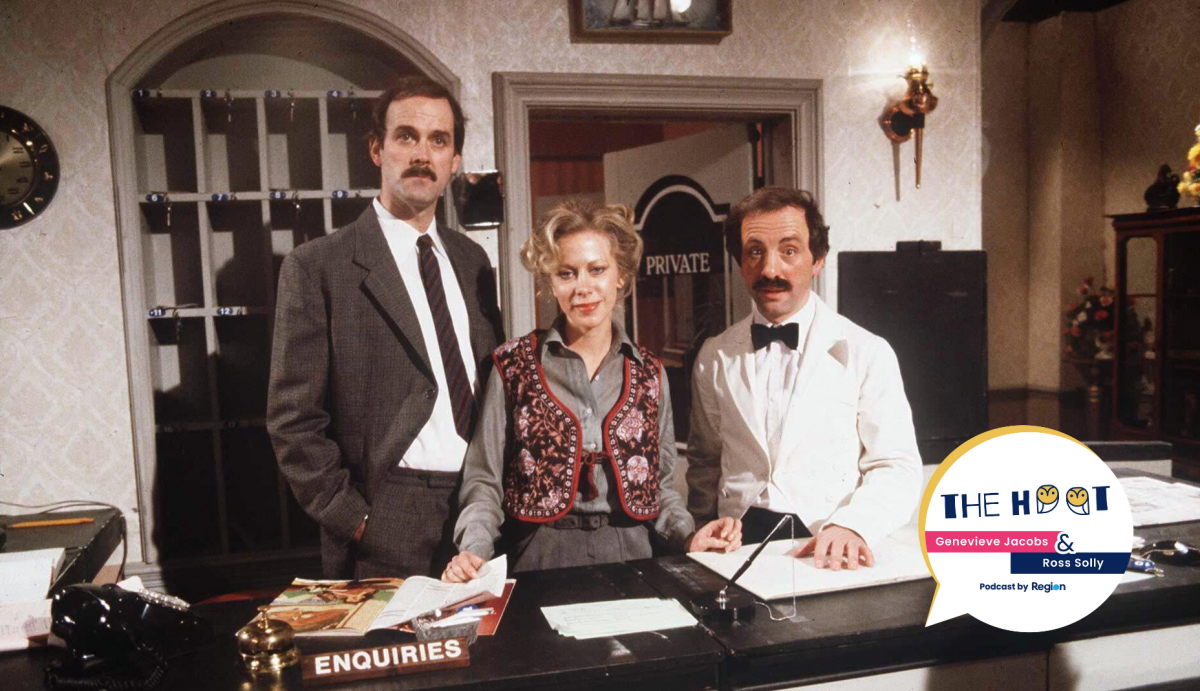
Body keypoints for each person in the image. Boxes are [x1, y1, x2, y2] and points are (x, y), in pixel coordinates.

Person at [267, 77, 504, 579]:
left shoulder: (472, 261)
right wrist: (358, 523)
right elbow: (293, 421)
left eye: (438, 140)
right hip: (385, 515)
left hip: (478, 510)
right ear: (377, 149)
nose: (422, 154)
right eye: (406, 136)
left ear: (454, 160)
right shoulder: (318, 266)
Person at [441, 200, 739, 582]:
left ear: (621, 275)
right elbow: (483, 481)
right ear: (551, 281)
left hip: (634, 555)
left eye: (597, 270)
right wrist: (473, 550)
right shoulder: (512, 367)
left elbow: (661, 489)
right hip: (540, 556)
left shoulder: (650, 374)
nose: (583, 287)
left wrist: (688, 535)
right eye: (567, 273)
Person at [687, 187, 922, 571]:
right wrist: (699, 535)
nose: (770, 270)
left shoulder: (867, 351)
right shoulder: (715, 355)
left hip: (827, 543)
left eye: (789, 250)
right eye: (755, 251)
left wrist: (854, 526)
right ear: (740, 264)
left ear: (818, 260)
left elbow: (897, 466)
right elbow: (704, 464)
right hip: (735, 547)